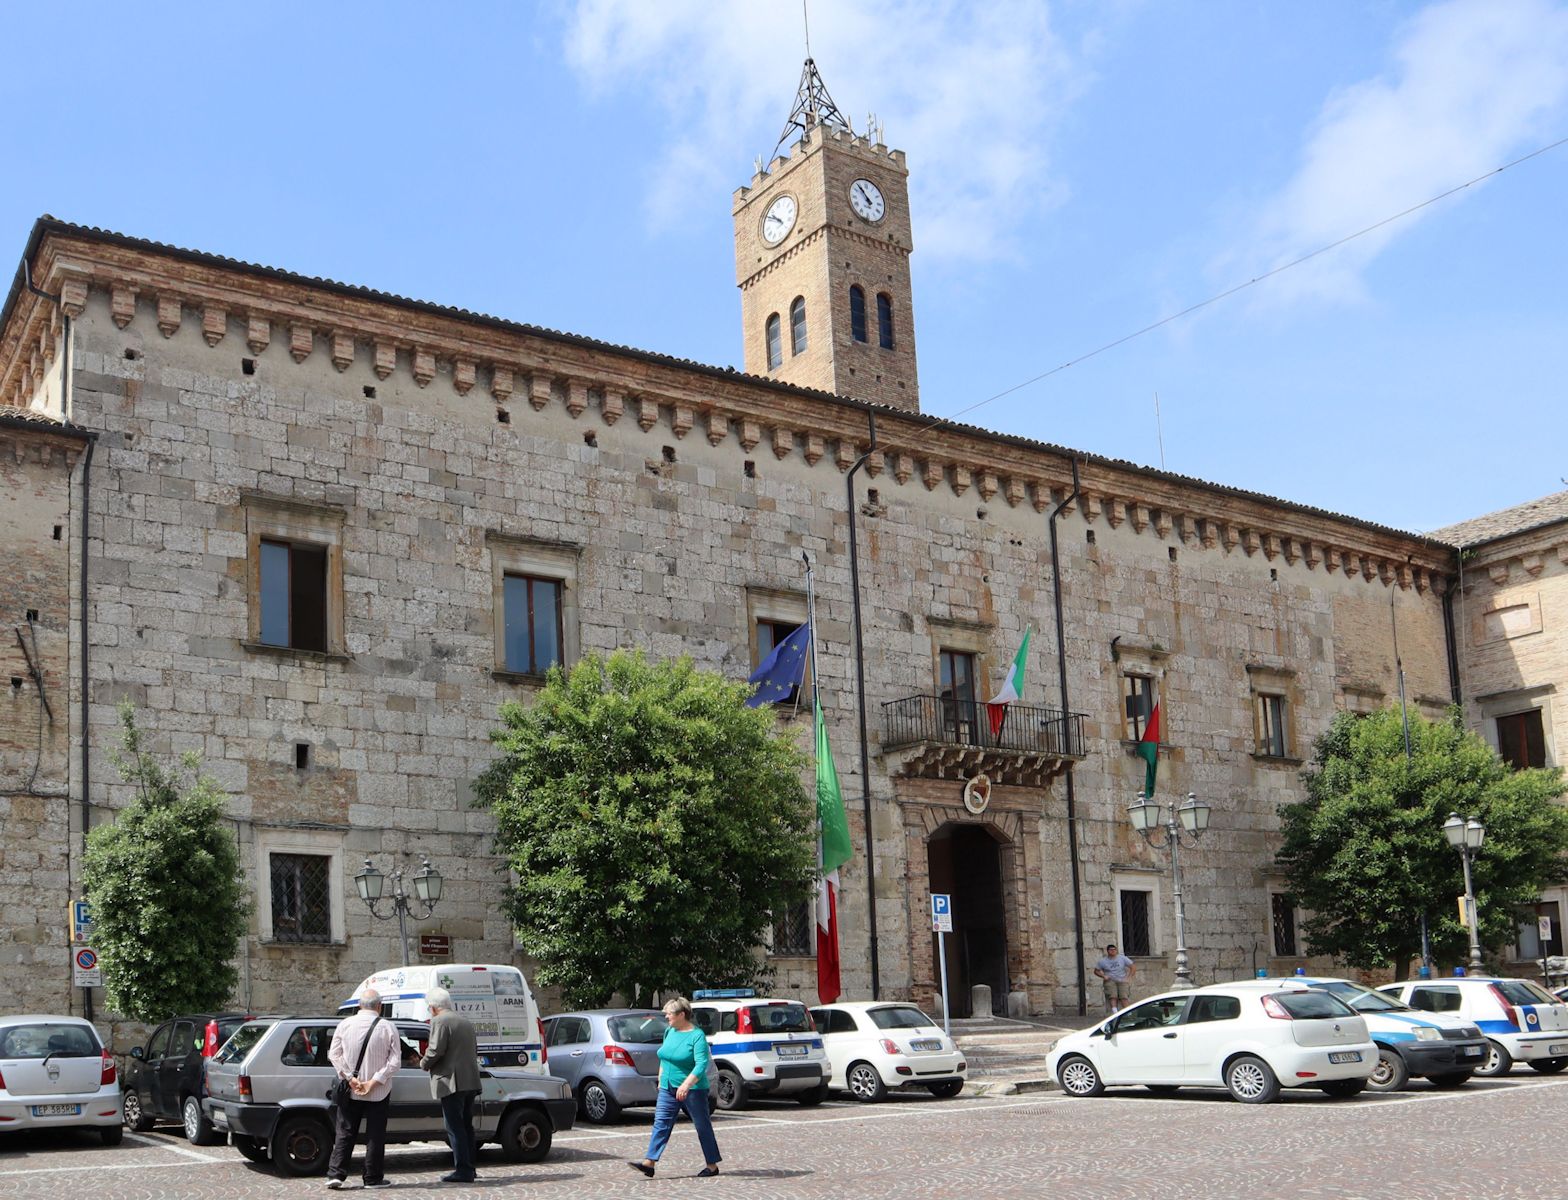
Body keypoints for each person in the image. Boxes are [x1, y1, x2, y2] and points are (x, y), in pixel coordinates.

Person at [628, 997, 721, 1180]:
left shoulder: (697, 1036)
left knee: (702, 1126)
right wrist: (661, 1078)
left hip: (693, 1089)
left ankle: (712, 1165)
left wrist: (686, 1085)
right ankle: (649, 1163)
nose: (666, 1017)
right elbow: (665, 1055)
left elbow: (701, 1064)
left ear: (682, 1015)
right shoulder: (670, 1031)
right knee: (661, 1124)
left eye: (669, 1013)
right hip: (668, 1087)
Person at [326, 988, 402, 1190]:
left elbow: (334, 1055)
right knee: (375, 1135)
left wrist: (351, 1078)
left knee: (345, 1131)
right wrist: (373, 1082)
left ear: (360, 1005)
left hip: (350, 1089)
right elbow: (395, 1062)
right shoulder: (388, 1026)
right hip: (379, 1091)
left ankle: (336, 1174)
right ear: (379, 1006)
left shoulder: (344, 1024)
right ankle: (372, 1178)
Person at [420, 986, 482, 1185]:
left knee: (454, 1127)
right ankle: (470, 1167)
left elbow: (436, 1050)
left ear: (433, 1007)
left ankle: (463, 1170)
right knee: (466, 1126)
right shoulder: (465, 1022)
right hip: (470, 1080)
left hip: (451, 1081)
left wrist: (423, 1063)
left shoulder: (439, 1021)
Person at [1093, 943, 1137, 1013]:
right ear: (1107, 951)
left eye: (1114, 950)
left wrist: (1129, 977)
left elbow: (1133, 967)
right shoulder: (1103, 961)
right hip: (1110, 980)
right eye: (1111, 950)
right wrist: (1104, 976)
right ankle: (1114, 1011)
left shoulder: (1122, 958)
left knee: (1124, 996)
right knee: (1113, 996)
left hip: (1122, 979)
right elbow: (1096, 971)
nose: (1113, 951)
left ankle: (1128, 1013)